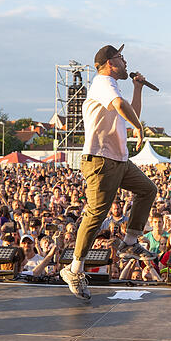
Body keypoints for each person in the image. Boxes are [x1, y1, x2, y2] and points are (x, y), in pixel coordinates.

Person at [60, 44, 158, 300]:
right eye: (121, 58)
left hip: (118, 159)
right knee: (96, 214)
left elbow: (130, 111)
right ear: (108, 63)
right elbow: (122, 107)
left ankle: (129, 242)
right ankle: (74, 269)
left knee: (147, 190)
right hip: (101, 160)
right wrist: (138, 128)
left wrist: (137, 88)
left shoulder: (112, 86)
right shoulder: (103, 83)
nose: (126, 62)